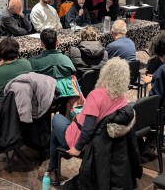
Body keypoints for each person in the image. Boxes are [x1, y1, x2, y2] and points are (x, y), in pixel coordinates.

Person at [43, 57, 135, 186]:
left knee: (57, 119)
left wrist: (77, 148)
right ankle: (53, 168)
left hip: (85, 141)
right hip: (103, 140)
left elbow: (88, 129)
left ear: (105, 72)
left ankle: (53, 169)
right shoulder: (123, 97)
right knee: (66, 122)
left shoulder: (96, 95)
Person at [29, 29, 76, 96]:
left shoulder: (32, 62)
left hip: (42, 99)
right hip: (65, 99)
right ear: (57, 42)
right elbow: (73, 76)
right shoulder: (67, 60)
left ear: (41, 43)